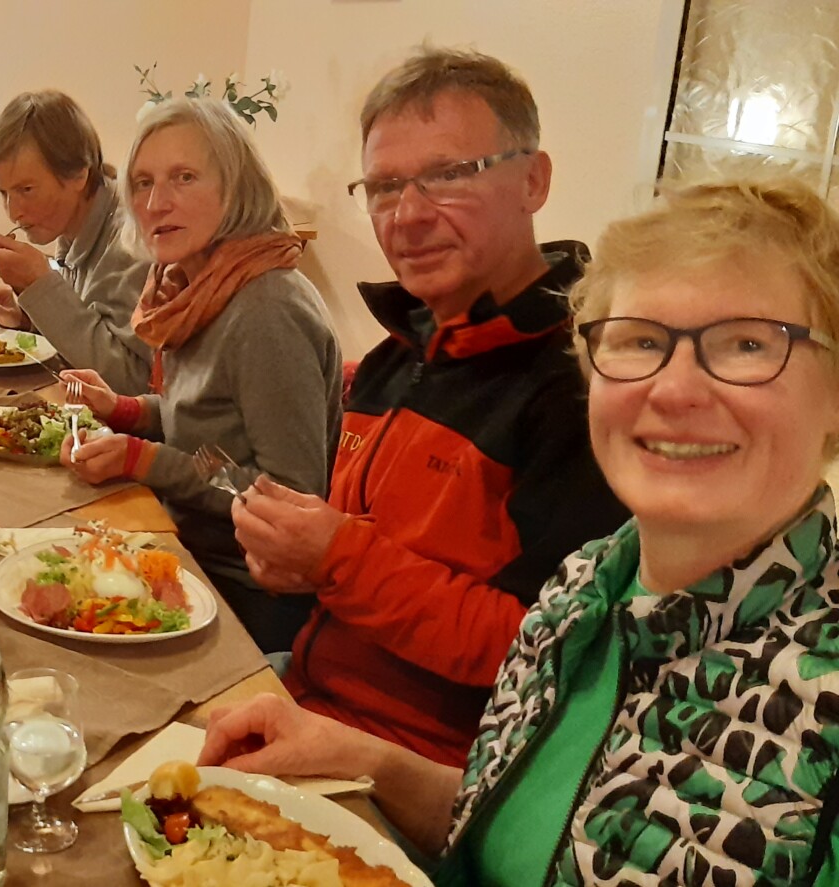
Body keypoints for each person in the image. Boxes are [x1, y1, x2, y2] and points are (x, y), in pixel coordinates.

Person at [202, 178, 839, 885]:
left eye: (748, 344)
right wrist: (359, 756)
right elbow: (515, 834)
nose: (675, 388)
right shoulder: (586, 582)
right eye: (639, 340)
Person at [231, 48, 629, 764]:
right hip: (309, 696)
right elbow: (375, 561)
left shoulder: (584, 386)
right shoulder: (396, 355)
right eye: (384, 186)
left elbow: (541, 649)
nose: (408, 214)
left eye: (449, 175)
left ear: (533, 181)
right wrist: (301, 561)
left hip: (425, 770)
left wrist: (336, 557)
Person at [57, 97, 341, 652]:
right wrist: (125, 410)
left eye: (184, 177)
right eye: (142, 183)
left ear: (236, 187)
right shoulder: (195, 286)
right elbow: (209, 423)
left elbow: (286, 500)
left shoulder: (265, 309)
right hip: (187, 547)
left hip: (243, 592)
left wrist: (144, 460)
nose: (156, 202)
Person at [0, 90, 155, 395]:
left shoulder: (132, 239)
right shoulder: (73, 226)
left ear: (79, 175)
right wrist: (29, 319)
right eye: (3, 193)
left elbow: (131, 382)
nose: (13, 211)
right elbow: (95, 323)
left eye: (26, 189)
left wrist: (41, 288)